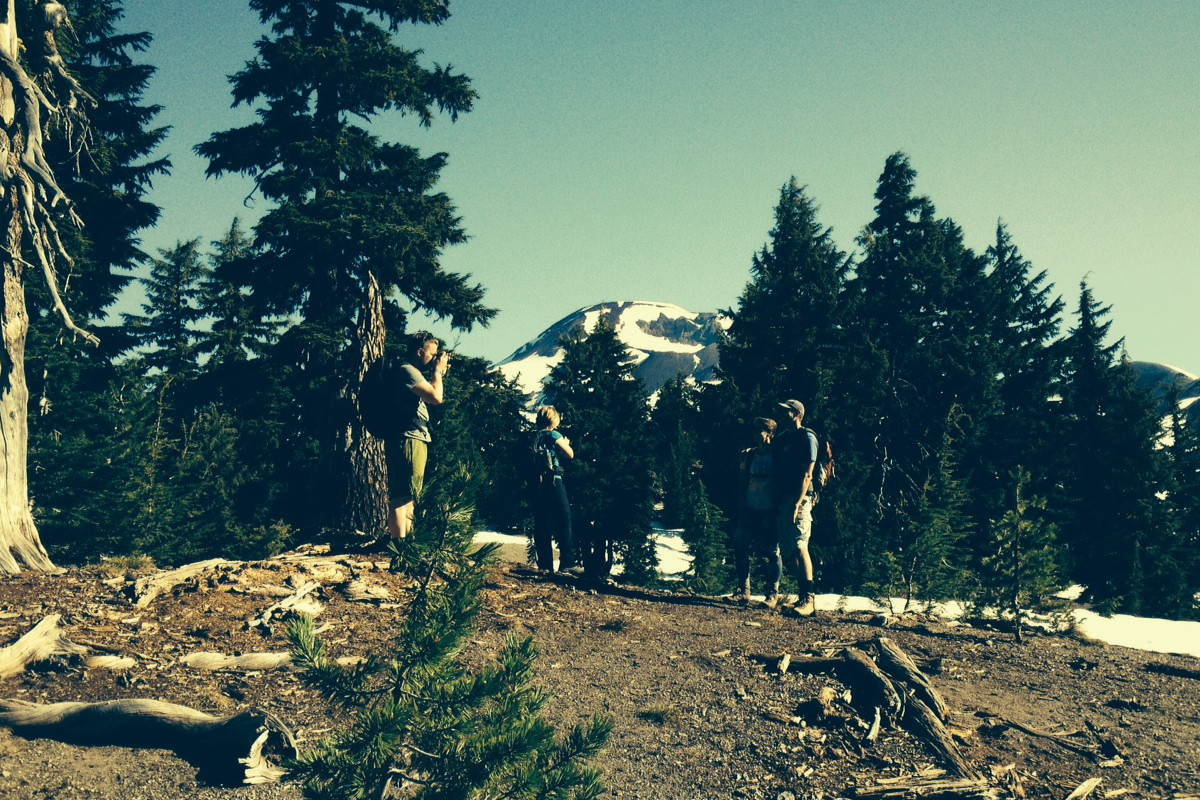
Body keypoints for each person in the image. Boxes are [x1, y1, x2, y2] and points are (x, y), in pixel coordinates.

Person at [386, 331, 450, 544]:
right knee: (409, 496)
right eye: (431, 353)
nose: (434, 358)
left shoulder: (405, 371)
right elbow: (436, 397)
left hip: (402, 436)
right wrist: (438, 373)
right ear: (420, 351)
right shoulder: (408, 371)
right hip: (411, 438)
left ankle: (400, 545)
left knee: (401, 495)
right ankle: (404, 546)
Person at [772, 399, 819, 617]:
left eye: (787, 411)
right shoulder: (782, 440)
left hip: (799, 498)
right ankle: (803, 597)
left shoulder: (807, 437)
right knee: (789, 550)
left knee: (800, 545)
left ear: (798, 414)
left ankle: (808, 600)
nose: (783, 415)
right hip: (782, 498)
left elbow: (807, 473)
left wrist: (798, 503)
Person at [733, 417, 784, 605]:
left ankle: (772, 594)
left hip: (769, 510)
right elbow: (741, 484)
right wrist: (741, 509)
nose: (755, 435)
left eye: (759, 431)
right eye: (754, 431)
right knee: (740, 546)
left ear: (769, 433)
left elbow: (781, 485)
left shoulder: (778, 457)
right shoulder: (749, 455)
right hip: (750, 507)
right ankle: (743, 591)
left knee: (772, 552)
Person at [531, 405, 580, 574]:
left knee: (542, 522)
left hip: (538, 483)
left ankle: (545, 564)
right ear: (553, 420)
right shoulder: (553, 434)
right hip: (554, 481)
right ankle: (567, 562)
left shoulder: (535, 437)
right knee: (564, 518)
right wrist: (565, 443)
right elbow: (570, 454)